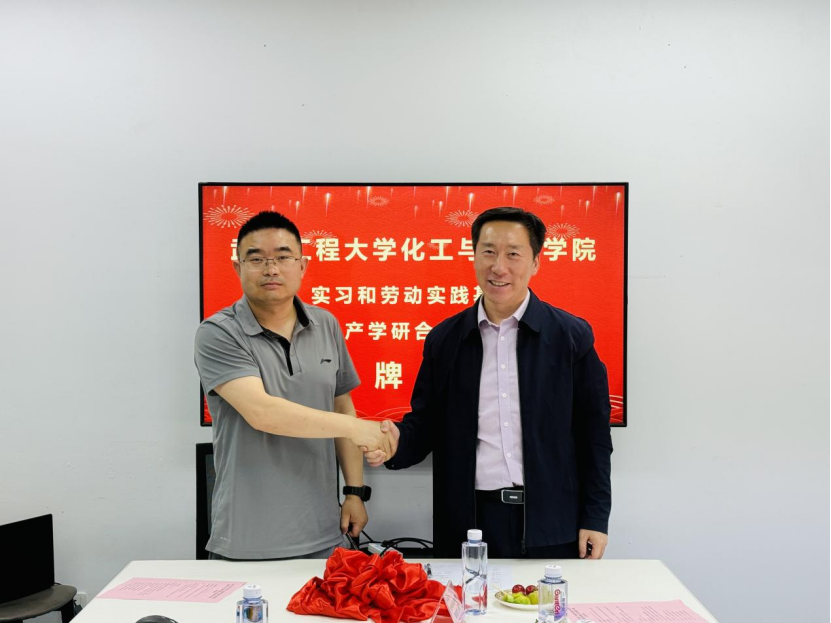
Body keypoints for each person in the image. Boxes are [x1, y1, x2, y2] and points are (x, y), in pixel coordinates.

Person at [366, 207, 613, 559]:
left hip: (554, 522)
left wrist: (595, 517)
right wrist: (394, 444)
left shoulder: (571, 336)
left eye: (513, 254)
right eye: (488, 252)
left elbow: (594, 437)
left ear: (536, 262)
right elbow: (426, 425)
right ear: (474, 256)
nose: (499, 267)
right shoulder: (445, 340)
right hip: (468, 522)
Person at [194, 211, 394, 560]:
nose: (271, 269)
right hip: (248, 540)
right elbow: (263, 413)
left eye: (283, 257)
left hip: (324, 534)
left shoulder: (326, 324)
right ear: (238, 268)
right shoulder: (218, 333)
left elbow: (341, 405)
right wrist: (358, 428)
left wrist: (354, 491)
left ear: (302, 266)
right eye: (256, 259)